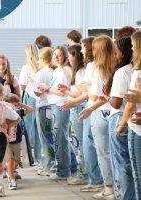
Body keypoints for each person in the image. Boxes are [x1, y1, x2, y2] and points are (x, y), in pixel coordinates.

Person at [78, 35, 114, 199]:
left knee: (103, 152)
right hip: (111, 113)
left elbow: (94, 96)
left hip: (99, 113)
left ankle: (108, 188)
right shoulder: (114, 67)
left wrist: (90, 88)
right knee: (111, 152)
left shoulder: (99, 70)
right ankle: (114, 186)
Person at [102, 36, 135, 200]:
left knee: (120, 162)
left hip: (120, 118)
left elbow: (116, 102)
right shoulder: (133, 69)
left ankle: (124, 196)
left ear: (122, 52)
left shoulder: (122, 71)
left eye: (116, 51)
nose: (114, 54)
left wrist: (107, 97)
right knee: (130, 163)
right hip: (130, 118)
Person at [57, 44, 87, 185]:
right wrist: (68, 90)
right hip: (76, 107)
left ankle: (83, 174)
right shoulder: (78, 71)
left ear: (76, 56)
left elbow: (80, 94)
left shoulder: (81, 72)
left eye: (70, 55)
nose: (68, 58)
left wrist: (67, 92)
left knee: (79, 142)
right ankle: (82, 173)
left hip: (78, 107)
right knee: (77, 142)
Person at [46, 45, 77, 180]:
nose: (57, 57)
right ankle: (73, 166)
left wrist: (46, 88)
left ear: (65, 56)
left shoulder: (64, 71)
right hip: (56, 106)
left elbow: (61, 91)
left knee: (60, 138)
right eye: (55, 55)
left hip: (61, 106)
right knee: (62, 137)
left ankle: (63, 171)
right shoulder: (58, 70)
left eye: (59, 55)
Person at [117, 30, 141, 199]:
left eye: (133, 46)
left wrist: (122, 124)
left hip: (137, 130)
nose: (131, 50)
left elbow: (130, 103)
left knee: (137, 177)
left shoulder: (137, 72)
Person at [3, 93, 33, 190]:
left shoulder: (19, 111)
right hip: (6, 139)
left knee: (17, 160)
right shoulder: (4, 112)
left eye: (16, 104)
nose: (14, 106)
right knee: (10, 159)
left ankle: (9, 171)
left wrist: (20, 105)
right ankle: (12, 180)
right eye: (13, 104)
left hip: (17, 139)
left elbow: (30, 109)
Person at [19, 44, 41, 169]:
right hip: (40, 99)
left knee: (27, 129)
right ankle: (39, 157)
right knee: (39, 130)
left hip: (29, 98)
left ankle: (28, 157)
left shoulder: (26, 68)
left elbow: (22, 85)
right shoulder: (41, 67)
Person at [34, 47, 55, 176]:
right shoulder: (54, 71)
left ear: (42, 59)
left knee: (44, 136)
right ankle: (52, 163)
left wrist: (32, 85)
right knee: (51, 135)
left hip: (42, 105)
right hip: (51, 106)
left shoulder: (40, 73)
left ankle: (47, 165)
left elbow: (37, 91)